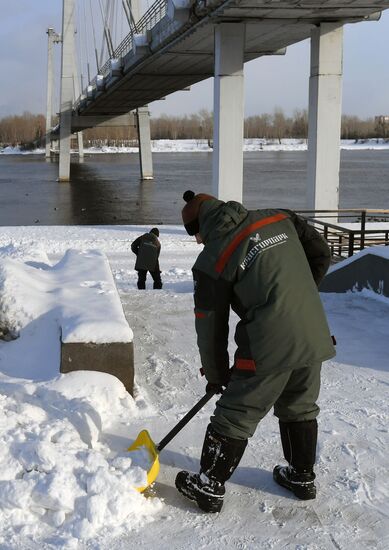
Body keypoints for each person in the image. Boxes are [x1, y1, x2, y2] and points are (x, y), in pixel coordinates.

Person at [175, 190, 336, 513]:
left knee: (235, 414)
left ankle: (209, 485)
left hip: (268, 345)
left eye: (195, 235)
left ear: (201, 226)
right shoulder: (280, 217)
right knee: (300, 405)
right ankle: (301, 477)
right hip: (313, 333)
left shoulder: (212, 259)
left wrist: (217, 375)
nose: (197, 243)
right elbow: (321, 253)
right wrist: (296, 299)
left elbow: (210, 328)